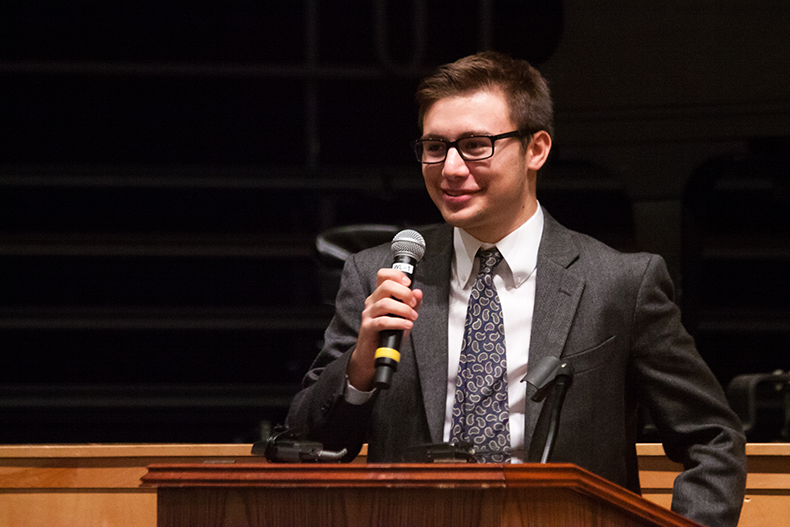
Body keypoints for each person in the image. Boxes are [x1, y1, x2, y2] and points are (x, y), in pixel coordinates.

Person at [286, 51, 746, 526]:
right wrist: (360, 366)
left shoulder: (619, 283)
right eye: (435, 146)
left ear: (537, 149)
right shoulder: (379, 274)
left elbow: (712, 436)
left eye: (475, 145)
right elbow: (309, 443)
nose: (450, 168)